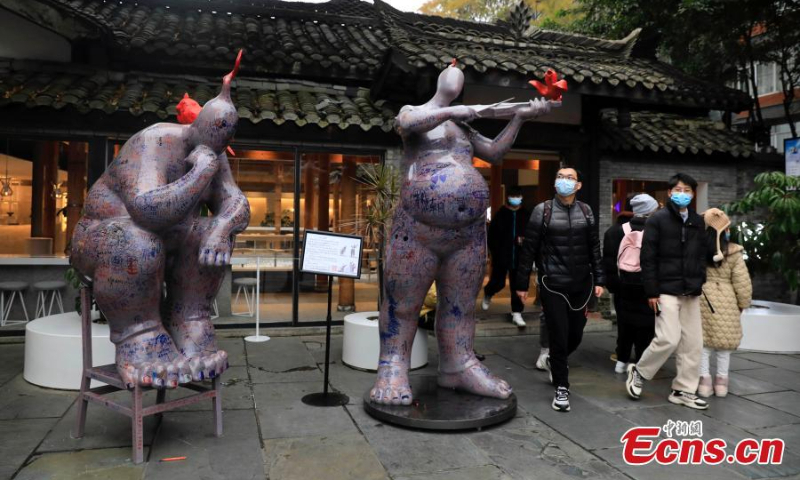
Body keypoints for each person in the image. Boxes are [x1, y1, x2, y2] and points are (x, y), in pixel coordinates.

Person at [516, 166, 605, 412]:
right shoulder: (541, 210)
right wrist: (522, 283)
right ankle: (562, 387)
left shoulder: (586, 211)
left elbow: (594, 248)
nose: (564, 181)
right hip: (552, 284)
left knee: (575, 334)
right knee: (558, 332)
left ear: (578, 185)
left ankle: (556, 360)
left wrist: (599, 279)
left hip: (581, 284)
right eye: (560, 177)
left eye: (570, 178)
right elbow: (528, 250)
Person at [625, 173, 710, 410]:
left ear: (693, 194)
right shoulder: (658, 220)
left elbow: (702, 255)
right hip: (665, 289)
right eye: (678, 189)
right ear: (670, 192)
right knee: (668, 338)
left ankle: (683, 390)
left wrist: (700, 280)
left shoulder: (698, 221)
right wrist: (651, 291)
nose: (682, 194)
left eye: (687, 190)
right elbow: (648, 258)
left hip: (691, 290)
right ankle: (639, 371)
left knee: (693, 343)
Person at [697, 208, 752, 398]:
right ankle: (721, 384)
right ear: (723, 230)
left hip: (702, 298)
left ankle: (704, 382)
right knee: (724, 347)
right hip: (727, 299)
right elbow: (742, 282)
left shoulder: (696, 250)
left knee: (703, 346)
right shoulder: (734, 253)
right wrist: (743, 303)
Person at [603, 194, 659, 374]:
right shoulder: (657, 232)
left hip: (623, 286)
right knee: (646, 326)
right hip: (647, 287)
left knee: (624, 323)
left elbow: (608, 263)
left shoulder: (613, 232)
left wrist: (614, 287)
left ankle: (622, 360)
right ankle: (641, 364)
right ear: (651, 211)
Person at [482, 186, 531, 327]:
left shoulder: (526, 214)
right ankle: (488, 292)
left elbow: (532, 234)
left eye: (518, 196)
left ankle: (517, 313)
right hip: (502, 256)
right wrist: (494, 253)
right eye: (512, 196)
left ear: (521, 197)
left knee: (518, 285)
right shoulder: (501, 214)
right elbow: (491, 236)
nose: (515, 199)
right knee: (498, 282)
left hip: (521, 257)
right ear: (508, 197)